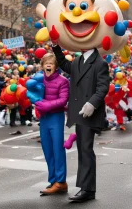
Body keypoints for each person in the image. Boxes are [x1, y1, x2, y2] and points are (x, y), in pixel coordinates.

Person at [53, 44, 109, 202]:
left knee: (86, 149)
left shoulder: (100, 63)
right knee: (83, 149)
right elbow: (65, 65)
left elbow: (103, 87)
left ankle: (88, 190)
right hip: (79, 110)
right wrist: (56, 47)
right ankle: (86, 188)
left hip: (89, 111)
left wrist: (92, 103)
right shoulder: (78, 60)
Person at [35, 53, 69, 195]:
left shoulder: (63, 81)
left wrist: (47, 105)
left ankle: (61, 182)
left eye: (51, 63)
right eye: (46, 62)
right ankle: (53, 180)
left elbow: (63, 99)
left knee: (57, 149)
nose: (48, 65)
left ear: (56, 66)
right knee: (47, 149)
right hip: (44, 118)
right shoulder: (38, 79)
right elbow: (33, 94)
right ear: (42, 65)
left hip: (56, 117)